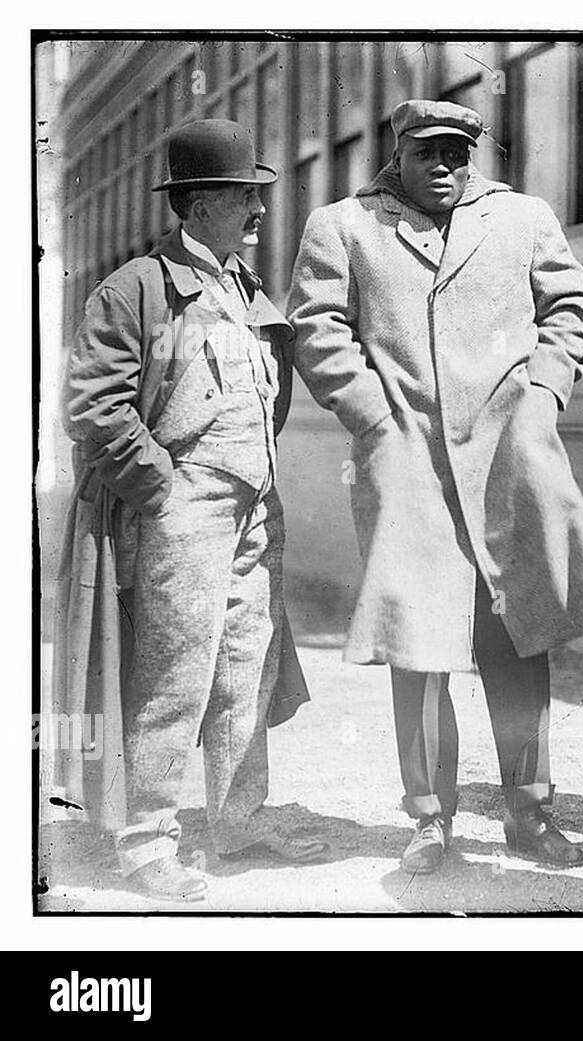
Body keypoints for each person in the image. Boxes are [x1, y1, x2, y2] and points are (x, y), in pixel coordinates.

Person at [287, 100, 583, 874]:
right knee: (422, 642)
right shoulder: (345, 225)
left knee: (520, 633)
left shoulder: (522, 217)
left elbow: (572, 308)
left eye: (457, 151)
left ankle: (530, 811)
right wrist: (374, 418)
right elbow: (317, 326)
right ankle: (430, 819)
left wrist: (540, 400)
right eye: (426, 151)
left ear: (473, 154)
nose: (443, 165)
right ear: (397, 152)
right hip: (410, 463)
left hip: (509, 459)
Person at [57, 119, 326, 903]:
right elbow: (95, 406)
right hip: (183, 507)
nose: (260, 212)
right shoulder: (137, 286)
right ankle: (146, 842)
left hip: (253, 507)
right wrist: (162, 486)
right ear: (202, 203)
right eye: (248, 197)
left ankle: (239, 823)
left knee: (248, 665)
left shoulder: (243, 286)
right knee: (175, 676)